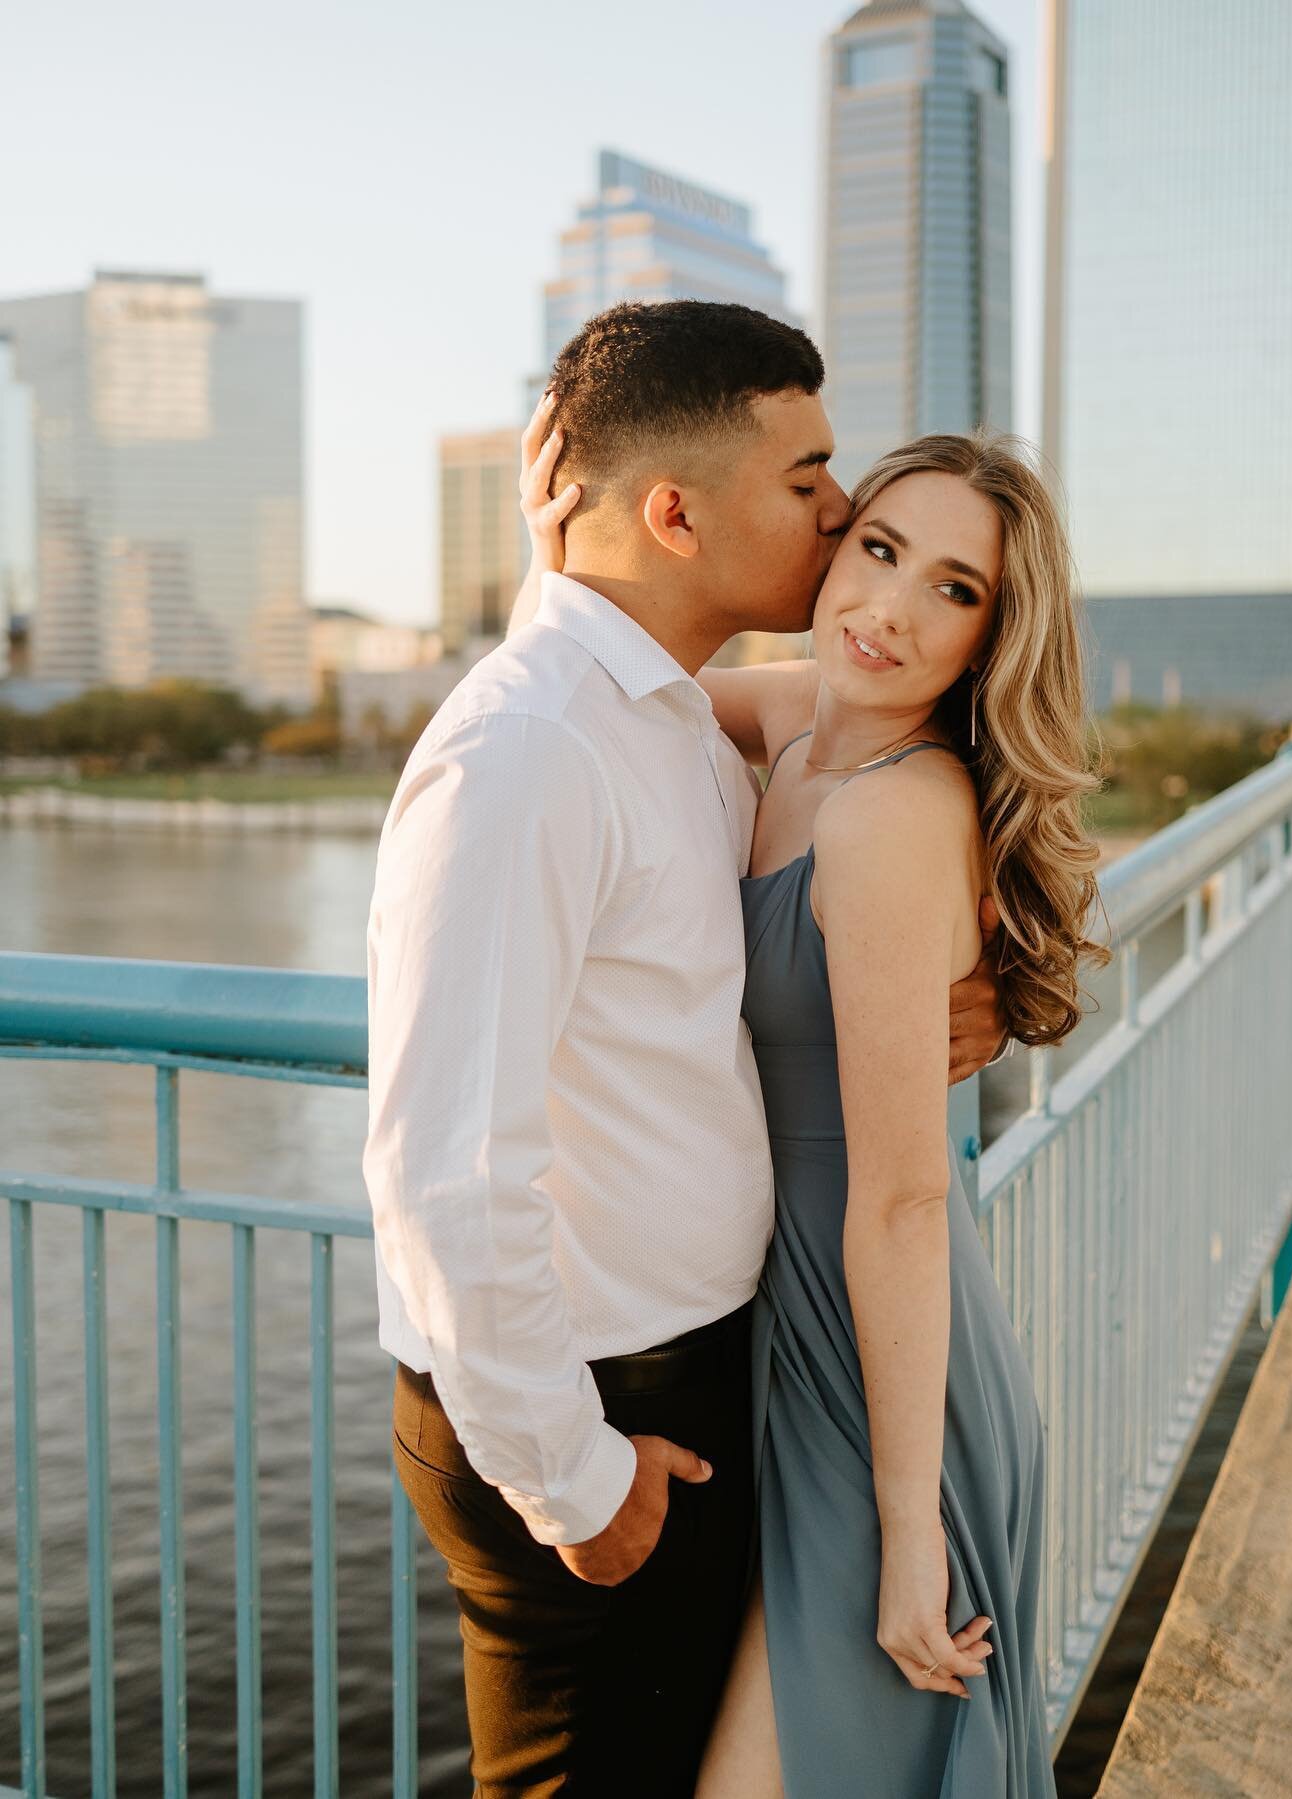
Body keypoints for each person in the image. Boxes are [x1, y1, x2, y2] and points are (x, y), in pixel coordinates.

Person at [363, 299, 1010, 1799]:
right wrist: (574, 1479)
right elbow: (448, 1172)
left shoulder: (676, 714)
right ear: (673, 511)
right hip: (596, 1403)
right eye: (808, 480)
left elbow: (879, 811)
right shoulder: (525, 755)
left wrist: (969, 999)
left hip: (716, 1374)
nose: (841, 511)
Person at [520, 420, 1107, 1796]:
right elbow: (574, 702)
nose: (894, 610)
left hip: (874, 1361)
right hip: (773, 1327)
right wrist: (558, 561)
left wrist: (911, 1536)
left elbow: (902, 1201)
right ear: (835, 546)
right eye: (883, 550)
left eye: (955, 591)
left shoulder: (892, 814)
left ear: (992, 639)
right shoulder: (792, 725)